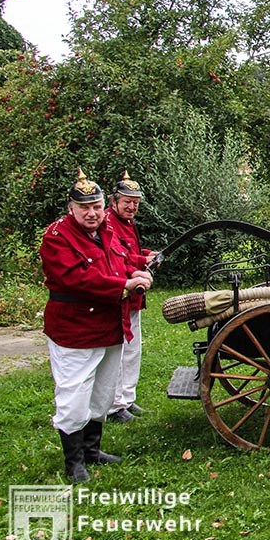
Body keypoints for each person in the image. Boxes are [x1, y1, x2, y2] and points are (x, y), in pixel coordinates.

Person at [40, 169, 153, 482]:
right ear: (71, 208)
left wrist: (137, 271)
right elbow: (77, 279)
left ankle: (92, 451)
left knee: (102, 394)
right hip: (75, 330)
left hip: (109, 326)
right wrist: (125, 285)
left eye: (95, 206)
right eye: (83, 208)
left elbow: (119, 260)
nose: (91, 213)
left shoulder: (107, 230)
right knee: (74, 396)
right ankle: (74, 463)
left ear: (104, 205)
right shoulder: (57, 238)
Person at [106, 171, 158, 424]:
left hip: (133, 295)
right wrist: (142, 260)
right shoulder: (107, 224)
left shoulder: (126, 223)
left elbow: (131, 251)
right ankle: (115, 405)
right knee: (120, 349)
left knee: (132, 349)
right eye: (127, 201)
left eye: (135, 202)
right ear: (113, 201)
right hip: (121, 293)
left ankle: (126, 399)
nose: (131, 206)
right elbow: (117, 258)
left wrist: (146, 254)